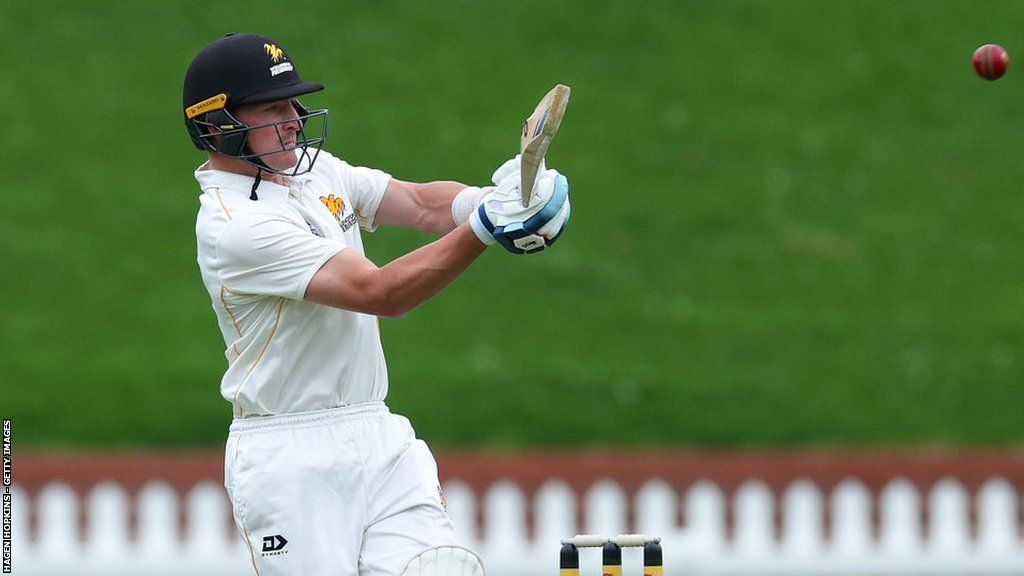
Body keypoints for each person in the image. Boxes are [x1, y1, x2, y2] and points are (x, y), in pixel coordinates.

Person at [182, 33, 570, 576]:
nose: (295, 118)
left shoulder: (312, 172)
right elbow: (379, 293)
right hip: (291, 455)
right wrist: (487, 229)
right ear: (218, 124)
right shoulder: (235, 226)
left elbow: (415, 202)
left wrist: (490, 200)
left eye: (294, 103)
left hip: (378, 432)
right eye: (274, 108)